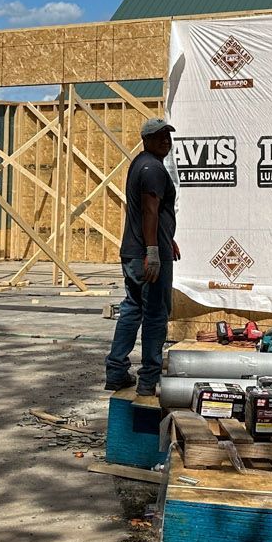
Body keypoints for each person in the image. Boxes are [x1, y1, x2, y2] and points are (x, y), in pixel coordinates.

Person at [106, 117, 179, 395]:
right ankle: (149, 378)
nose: (165, 141)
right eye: (159, 136)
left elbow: (152, 214)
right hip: (147, 256)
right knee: (156, 314)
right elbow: (149, 211)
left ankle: (116, 371)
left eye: (168, 137)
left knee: (132, 309)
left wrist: (166, 239)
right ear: (145, 140)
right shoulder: (153, 170)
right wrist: (153, 251)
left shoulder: (141, 163)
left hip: (134, 251)